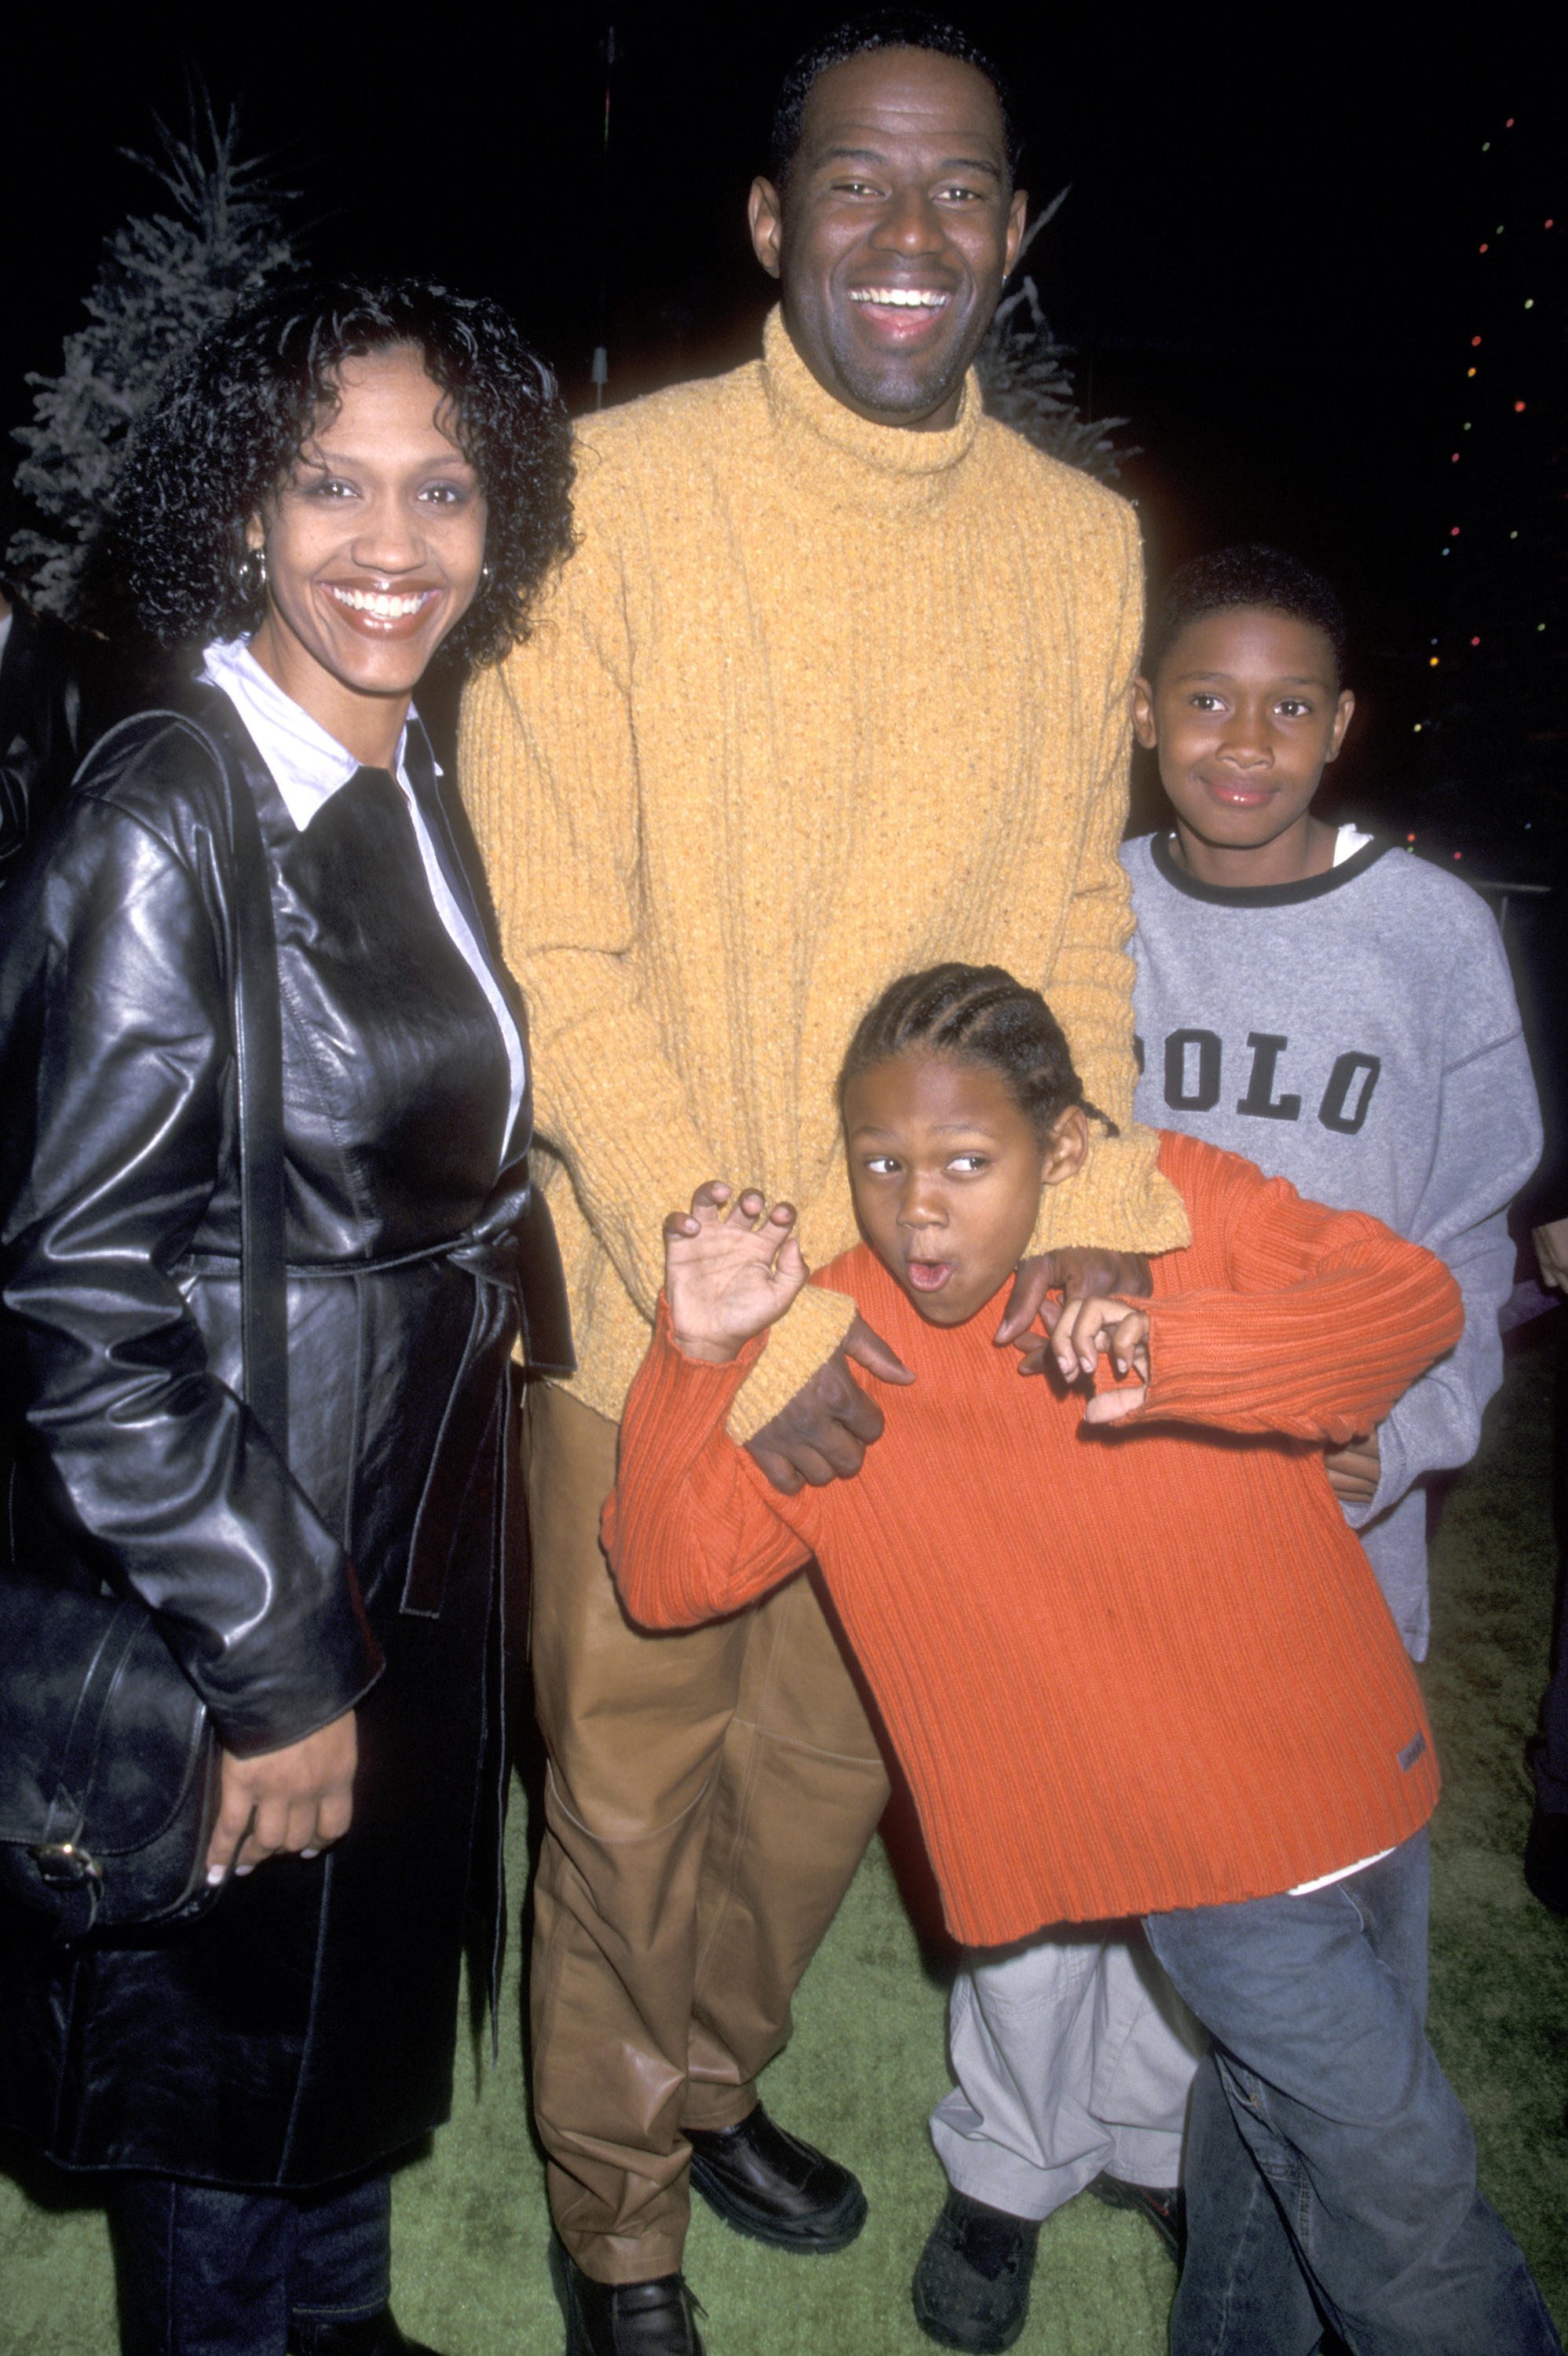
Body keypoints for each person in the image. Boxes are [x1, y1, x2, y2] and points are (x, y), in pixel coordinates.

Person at [459, 16, 1190, 2351]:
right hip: (657, 1315)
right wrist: (740, 1294)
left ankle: (702, 2086)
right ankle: (615, 2218)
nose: (908, 230)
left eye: (958, 187)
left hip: (924, 1326)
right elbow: (554, 946)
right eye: (856, 182)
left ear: (1015, 233)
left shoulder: (1077, 544)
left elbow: (1073, 917)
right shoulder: (606, 497)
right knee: (633, 1793)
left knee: (820, 1779)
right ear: (774, 222)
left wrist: (1088, 1196)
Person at [605, 960, 1563, 2356]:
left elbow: (1409, 1301)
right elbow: (667, 1576)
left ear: (1060, 1148)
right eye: (878, 1163)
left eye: (964, 1161)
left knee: (1274, 2162)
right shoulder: (841, 1346)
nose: (915, 1208)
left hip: (1361, 1766)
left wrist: (1175, 1350)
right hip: (1209, 1853)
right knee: (1404, 2194)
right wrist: (695, 1356)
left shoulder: (1173, 1203)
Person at [0, 276, 574, 2356]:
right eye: (328, 485)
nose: (390, 543)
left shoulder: (400, 767)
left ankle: (344, 2327)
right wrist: (269, 1661)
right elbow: (74, 1296)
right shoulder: (171, 814)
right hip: (253, 1540)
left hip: (398, 1517)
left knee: (346, 2013)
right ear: (241, 510)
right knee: (234, 2053)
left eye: (443, 489)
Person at [911, 544, 1546, 2347]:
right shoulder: (1082, 914)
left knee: (1278, 1946)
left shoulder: (1434, 934)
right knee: (1048, 1881)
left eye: (1288, 707)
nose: (1244, 741)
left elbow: (1468, 1233)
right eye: (1205, 699)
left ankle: (1175, 2171)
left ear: (1343, 726)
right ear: (1142, 715)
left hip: (1319, 1526)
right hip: (1094, 1507)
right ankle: (1006, 2167)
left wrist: (1398, 1436)